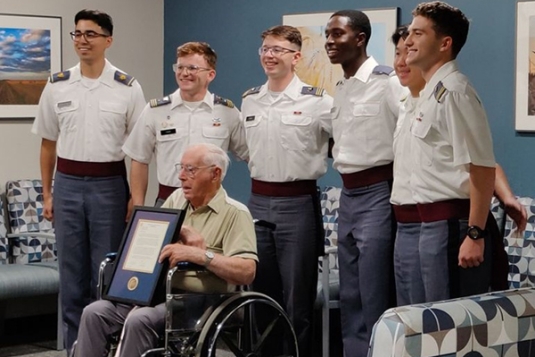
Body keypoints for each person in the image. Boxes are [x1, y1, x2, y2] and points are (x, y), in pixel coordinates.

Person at [74, 143, 258, 357]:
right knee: (94, 312)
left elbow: (247, 270)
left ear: (215, 174)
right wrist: (184, 229)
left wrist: (201, 256)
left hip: (200, 301)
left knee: (139, 319)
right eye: (181, 168)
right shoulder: (176, 199)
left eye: (190, 170)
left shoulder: (235, 213)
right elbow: (149, 236)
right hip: (156, 292)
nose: (181, 176)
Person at [31, 9, 146, 352]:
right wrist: (47, 193)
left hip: (109, 185)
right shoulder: (58, 84)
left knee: (107, 270)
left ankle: (107, 347)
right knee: (71, 274)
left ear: (108, 40)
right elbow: (47, 143)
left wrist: (135, 199)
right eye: (77, 34)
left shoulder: (127, 87)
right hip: (66, 184)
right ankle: (73, 349)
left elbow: (139, 150)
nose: (82, 40)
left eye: (90, 34)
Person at [390, 24, 527, 306]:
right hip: (408, 225)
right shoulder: (407, 105)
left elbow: (482, 163)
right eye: (398, 53)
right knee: (413, 317)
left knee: (445, 318)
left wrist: (482, 224)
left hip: (442, 223)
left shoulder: (450, 95)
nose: (402, 61)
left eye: (410, 52)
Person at [241, 25, 333, 356]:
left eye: (278, 49)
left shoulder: (318, 102)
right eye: (265, 48)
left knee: (298, 300)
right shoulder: (250, 100)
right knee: (260, 295)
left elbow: (346, 143)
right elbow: (244, 148)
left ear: (296, 57)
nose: (269, 55)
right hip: (258, 204)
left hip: (297, 204)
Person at [324, 10, 406, 356]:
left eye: (338, 34)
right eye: (327, 34)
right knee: (351, 291)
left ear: (360, 39)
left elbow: (410, 133)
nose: (329, 41)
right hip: (349, 195)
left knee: (374, 289)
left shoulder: (387, 81)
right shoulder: (341, 87)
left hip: (379, 192)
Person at [403, 1, 495, 302]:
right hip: (428, 224)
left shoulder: (454, 91)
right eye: (409, 33)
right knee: (428, 324)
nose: (407, 41)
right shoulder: (430, 92)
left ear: (445, 43)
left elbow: (481, 168)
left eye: (418, 33)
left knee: (448, 327)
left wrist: (475, 235)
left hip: (451, 226)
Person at [123, 42, 247, 208]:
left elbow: (249, 153)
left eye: (192, 68)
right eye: (180, 67)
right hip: (168, 201)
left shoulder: (227, 112)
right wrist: (137, 202)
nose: (184, 73)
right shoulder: (155, 110)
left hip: (210, 203)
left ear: (210, 74)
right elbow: (139, 158)